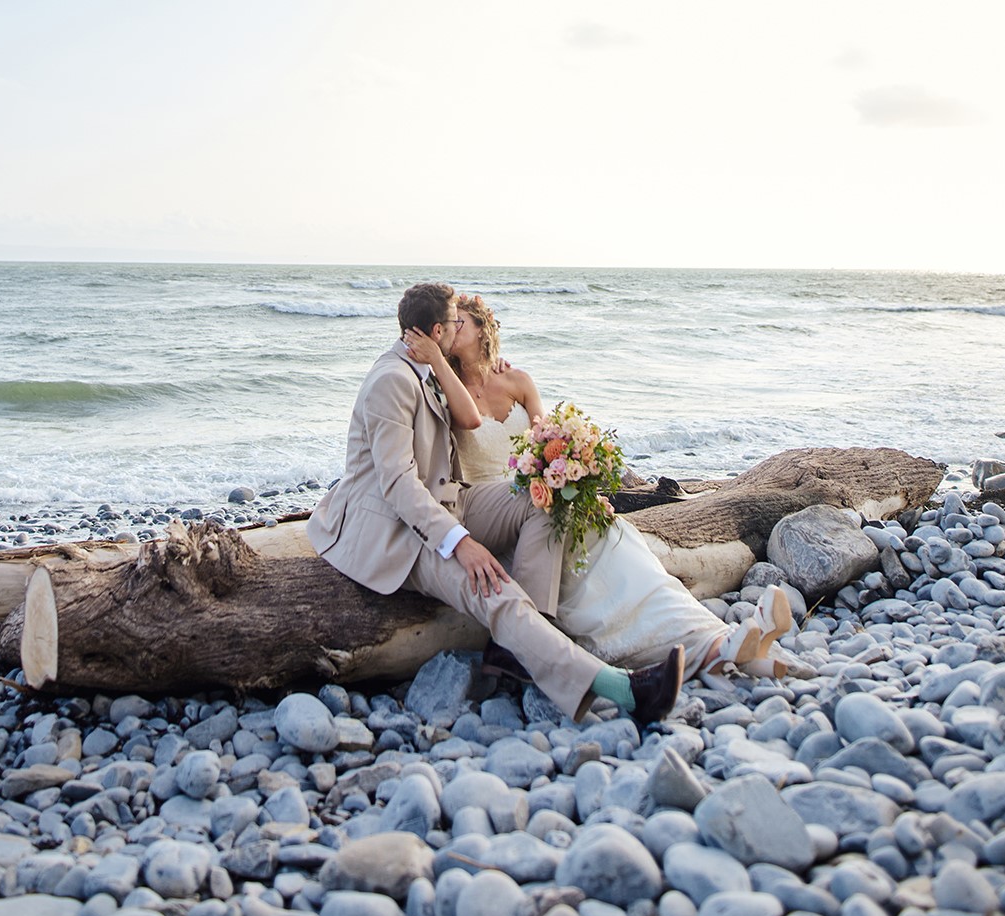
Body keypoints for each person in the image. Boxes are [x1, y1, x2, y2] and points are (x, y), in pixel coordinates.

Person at [307, 280, 684, 725]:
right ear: (436, 330)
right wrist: (460, 543)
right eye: (453, 322)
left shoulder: (429, 369)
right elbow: (398, 484)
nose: (458, 327)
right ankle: (622, 689)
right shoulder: (393, 380)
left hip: (449, 500)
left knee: (539, 500)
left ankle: (518, 646)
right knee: (493, 587)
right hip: (396, 530)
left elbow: (466, 418)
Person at [405, 293, 800, 684]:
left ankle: (724, 641)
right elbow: (468, 422)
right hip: (498, 513)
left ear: (482, 330)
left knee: (619, 542)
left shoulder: (517, 380)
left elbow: (545, 439)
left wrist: (573, 471)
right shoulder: (444, 386)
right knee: (587, 574)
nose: (451, 328)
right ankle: (720, 649)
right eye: (449, 323)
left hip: (542, 496)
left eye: (460, 322)